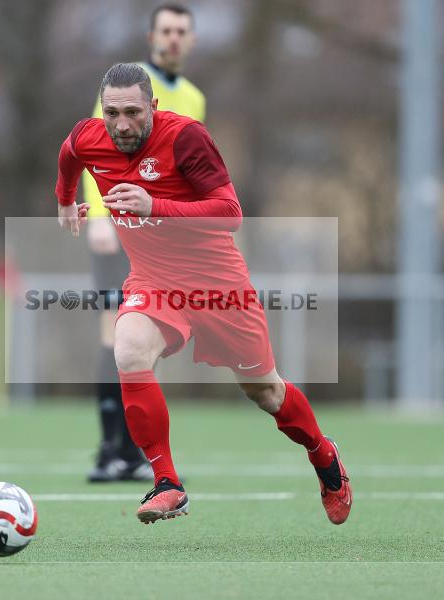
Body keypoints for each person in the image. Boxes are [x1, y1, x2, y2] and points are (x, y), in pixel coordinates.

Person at [54, 63, 352, 524]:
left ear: (153, 106)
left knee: (266, 393)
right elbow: (69, 154)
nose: (122, 124)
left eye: (133, 112)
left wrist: (156, 206)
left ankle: (323, 454)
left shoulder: (185, 138)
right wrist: (64, 200)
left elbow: (229, 212)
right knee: (129, 349)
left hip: (219, 286)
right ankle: (167, 482)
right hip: (152, 280)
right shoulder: (90, 135)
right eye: (112, 113)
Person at [82, 4, 205, 483]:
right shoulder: (127, 91)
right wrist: (98, 216)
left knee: (148, 339)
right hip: (116, 229)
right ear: (151, 36)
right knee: (113, 331)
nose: (173, 39)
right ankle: (108, 449)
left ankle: (136, 453)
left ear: (190, 40)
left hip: (163, 240)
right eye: (166, 30)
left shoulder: (193, 97)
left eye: (181, 31)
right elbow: (98, 147)